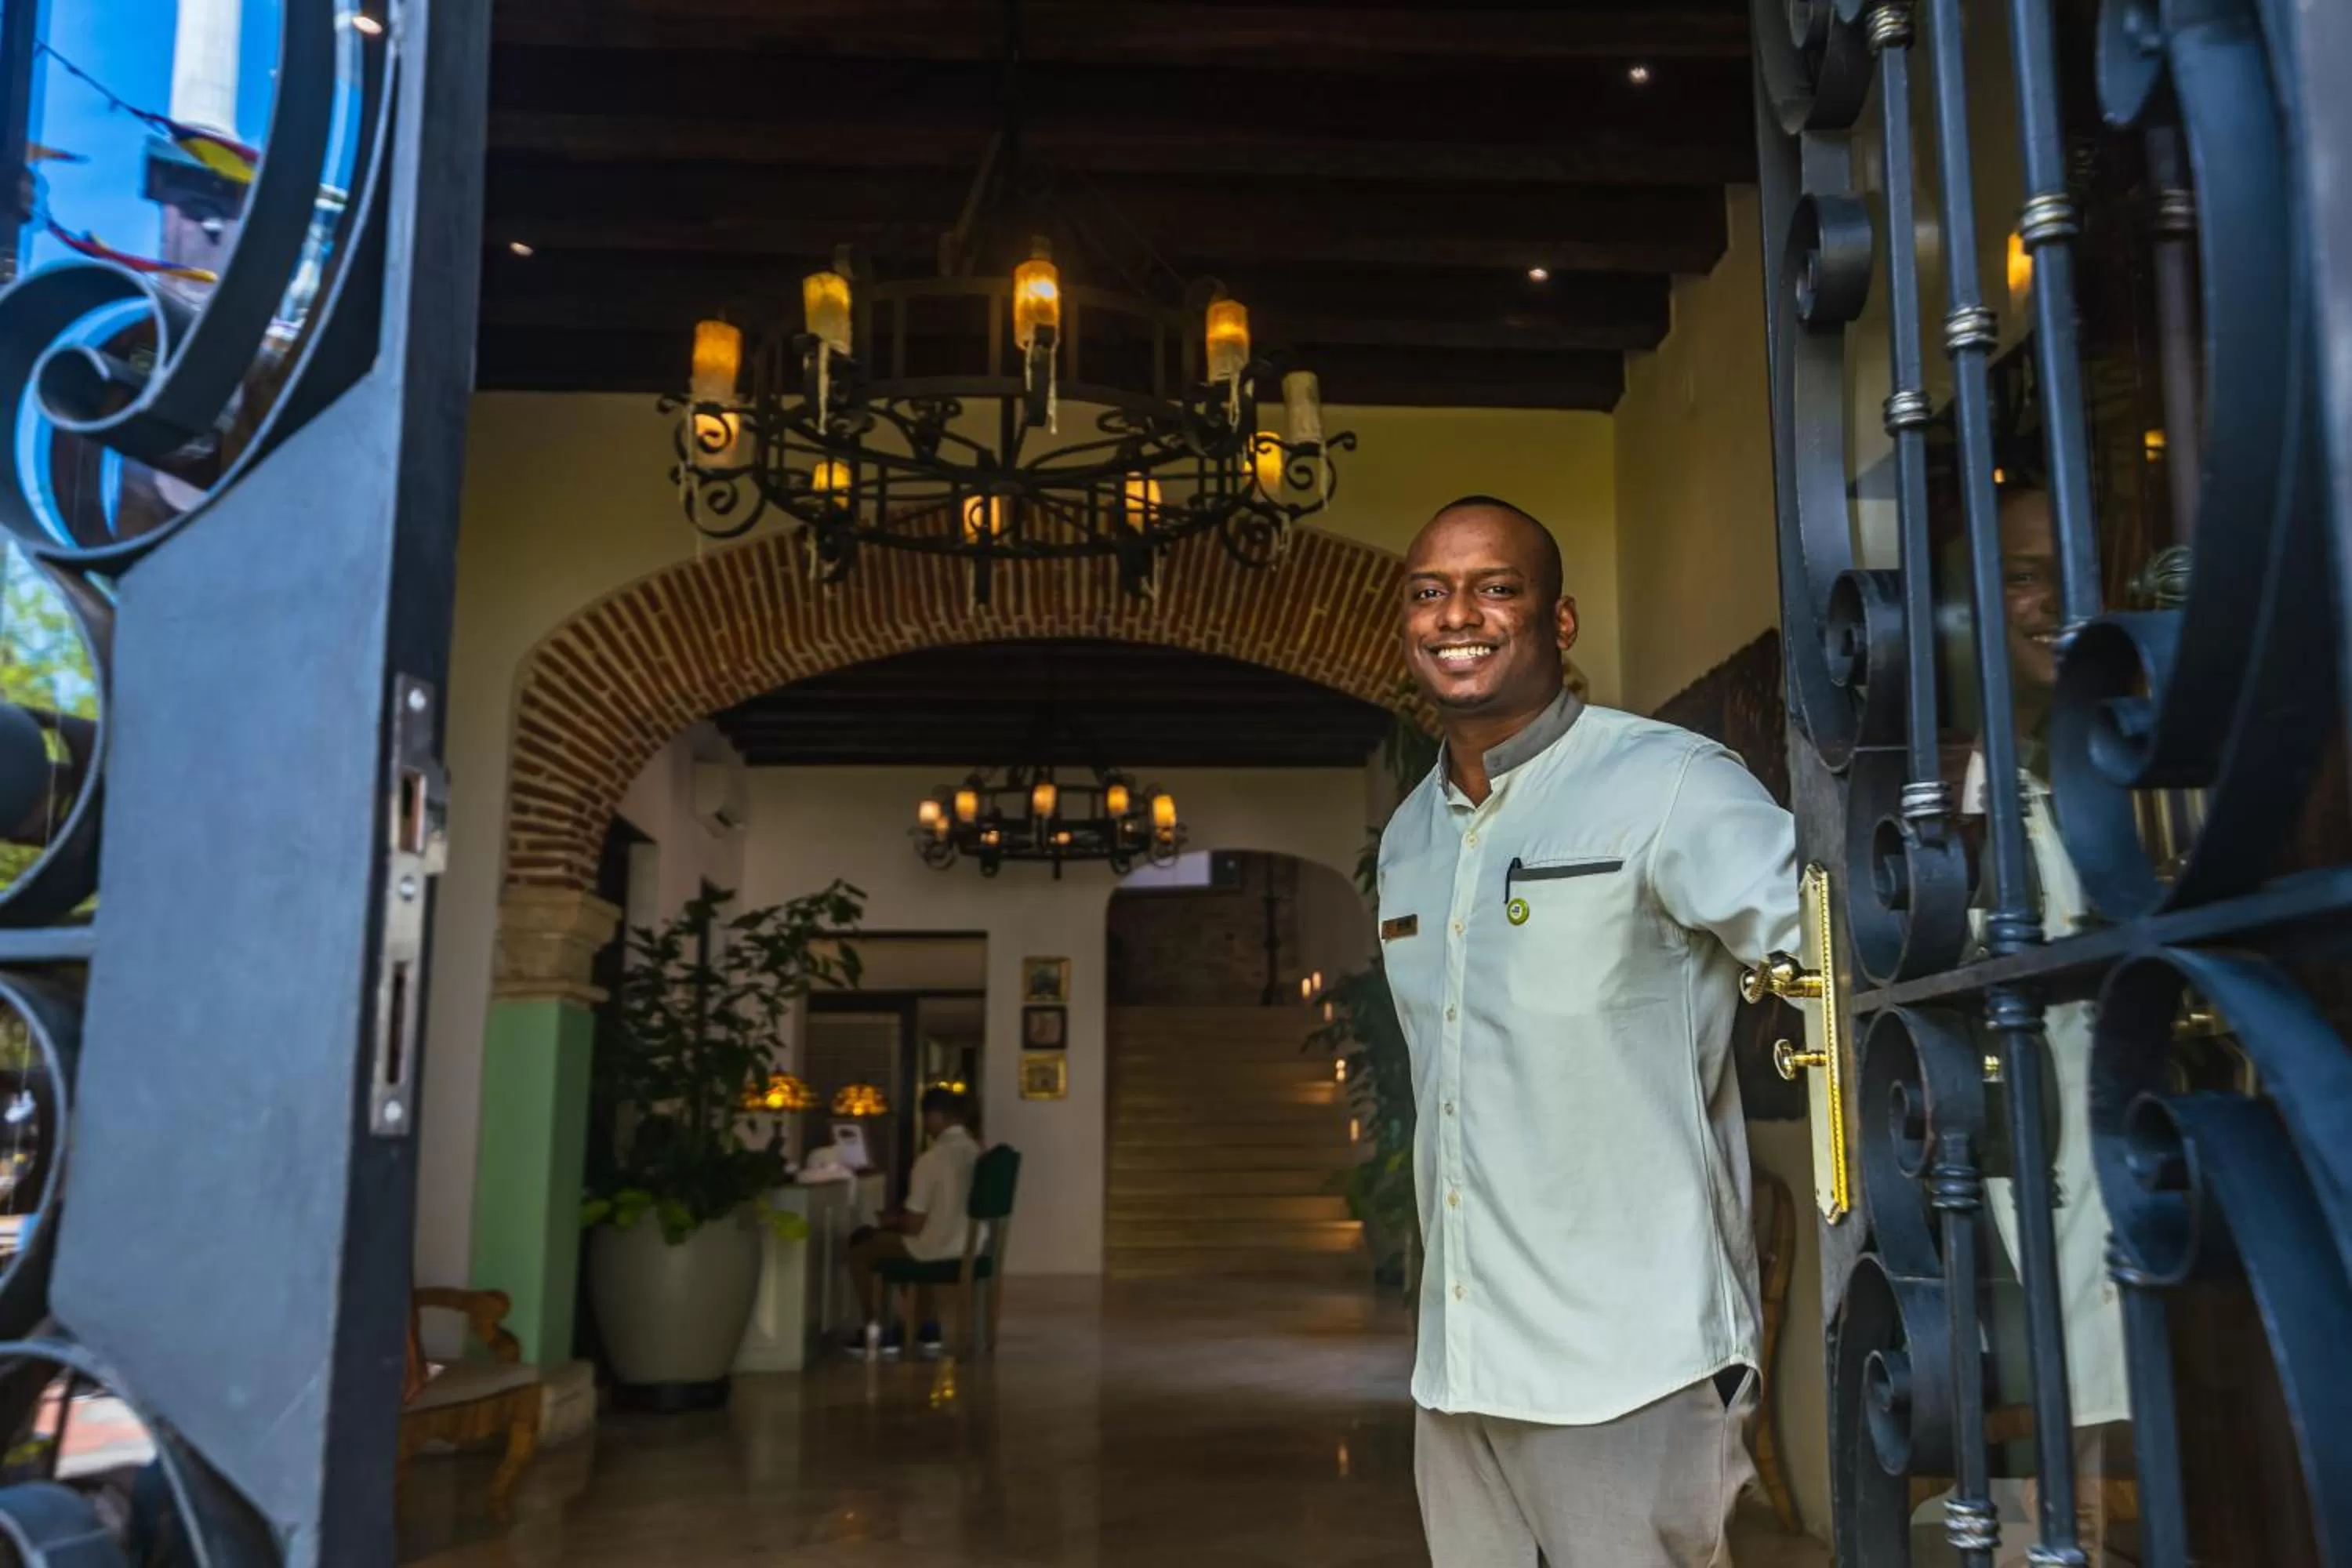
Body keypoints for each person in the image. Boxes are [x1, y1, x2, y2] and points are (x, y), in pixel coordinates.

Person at [1379, 497, 1799, 1567]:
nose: (1456, 614)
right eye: (1430, 591)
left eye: (1494, 587)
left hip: (1630, 1359)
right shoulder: (1408, 836)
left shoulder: (1668, 784)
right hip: (1461, 1368)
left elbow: (1841, 964)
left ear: (1559, 623)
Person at [1965, 481, 2133, 1566]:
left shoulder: (2147, 738)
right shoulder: (1967, 771)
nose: (2049, 602)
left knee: (2133, 1391)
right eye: (2022, 575)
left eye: (2068, 571)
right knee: (2051, 1403)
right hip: (2029, 1128)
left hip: (2157, 1110)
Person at [844, 1087, 982, 1359]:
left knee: (862, 1249)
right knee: (911, 1244)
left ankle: (879, 1330)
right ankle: (926, 1326)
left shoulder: (931, 1159)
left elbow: (914, 1226)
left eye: (927, 1118)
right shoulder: (975, 1151)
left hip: (937, 1247)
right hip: (971, 1243)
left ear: (936, 1116)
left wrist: (887, 1221)